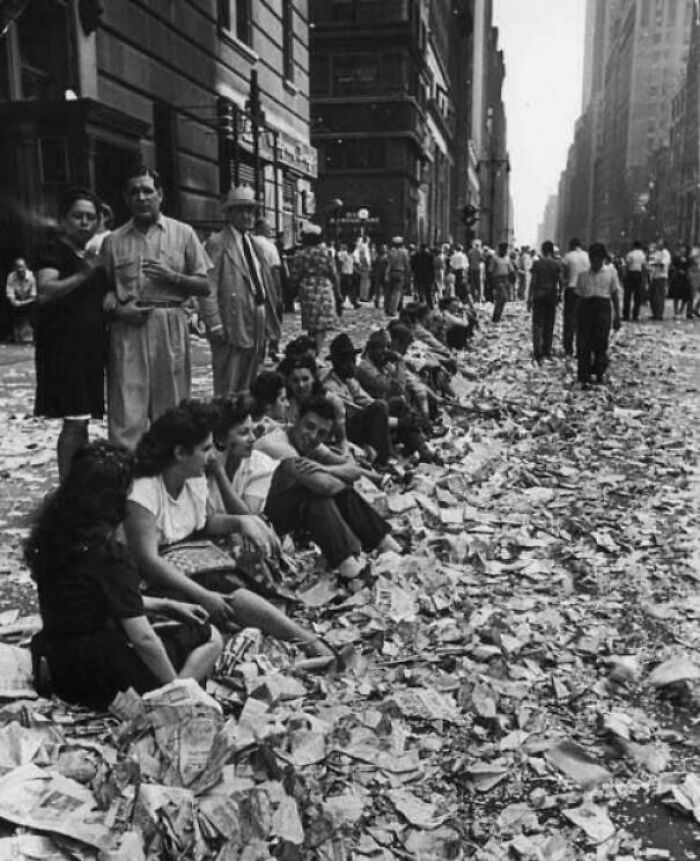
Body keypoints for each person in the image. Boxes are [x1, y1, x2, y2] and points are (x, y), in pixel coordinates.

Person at [123, 399, 336, 659]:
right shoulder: (144, 489)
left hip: (188, 564)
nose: (212, 456)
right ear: (180, 453)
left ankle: (304, 640)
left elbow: (203, 523)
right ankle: (309, 643)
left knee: (234, 584)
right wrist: (202, 595)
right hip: (150, 580)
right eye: (205, 449)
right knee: (224, 596)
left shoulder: (194, 479)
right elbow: (148, 561)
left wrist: (242, 522)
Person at [26, 441, 222, 710]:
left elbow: (86, 598)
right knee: (210, 636)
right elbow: (143, 638)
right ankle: (172, 695)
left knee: (168, 608)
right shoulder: (109, 553)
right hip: (101, 667)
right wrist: (173, 686)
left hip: (56, 656)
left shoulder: (53, 533)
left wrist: (165, 605)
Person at [102, 166, 212, 449]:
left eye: (147, 190)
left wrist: (172, 276)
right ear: (126, 198)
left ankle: (168, 477)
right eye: (134, 192)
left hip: (169, 324)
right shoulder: (113, 241)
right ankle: (127, 478)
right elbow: (102, 290)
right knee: (127, 409)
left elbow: (204, 285)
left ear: (160, 195)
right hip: (128, 328)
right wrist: (117, 310)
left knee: (172, 408)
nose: (141, 197)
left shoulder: (183, 233)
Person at [253, 395, 400, 578]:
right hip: (258, 519)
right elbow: (325, 486)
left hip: (281, 513)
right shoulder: (278, 445)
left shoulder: (309, 443)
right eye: (309, 426)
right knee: (314, 496)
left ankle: (388, 547)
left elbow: (353, 471)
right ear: (296, 419)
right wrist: (334, 474)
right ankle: (351, 570)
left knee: (331, 490)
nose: (313, 436)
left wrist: (325, 468)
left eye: (321, 433)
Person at [35, 187, 108, 481]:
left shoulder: (89, 254)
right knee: (75, 423)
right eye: (78, 216)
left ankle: (80, 483)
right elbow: (45, 291)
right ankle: (68, 488)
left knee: (82, 421)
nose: (85, 223)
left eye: (91, 217)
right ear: (64, 219)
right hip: (64, 350)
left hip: (89, 349)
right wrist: (83, 275)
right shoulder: (52, 250)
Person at [199, 186, 275, 397]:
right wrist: (214, 322)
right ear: (229, 214)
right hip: (231, 319)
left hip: (254, 315)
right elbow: (208, 286)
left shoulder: (250, 242)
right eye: (241, 210)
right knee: (229, 379)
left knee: (249, 378)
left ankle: (242, 420)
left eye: (251, 211)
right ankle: (226, 421)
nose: (248, 216)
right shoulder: (218, 242)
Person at [319, 333, 394, 467]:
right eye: (346, 362)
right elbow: (356, 410)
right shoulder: (330, 386)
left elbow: (367, 400)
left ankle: (422, 444)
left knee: (395, 404)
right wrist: (396, 421)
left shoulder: (349, 380)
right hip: (344, 430)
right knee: (381, 407)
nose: (352, 366)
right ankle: (383, 462)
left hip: (361, 419)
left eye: (353, 361)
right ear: (336, 363)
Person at [574, 242, 621, 386]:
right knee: (584, 344)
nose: (595, 262)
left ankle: (599, 373)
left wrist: (617, 315)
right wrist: (575, 318)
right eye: (592, 259)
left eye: (598, 259)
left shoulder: (611, 273)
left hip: (603, 309)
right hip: (586, 309)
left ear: (603, 259)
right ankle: (584, 375)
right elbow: (579, 298)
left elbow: (614, 294)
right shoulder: (582, 275)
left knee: (601, 343)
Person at [290, 223, 339, 354]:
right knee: (322, 325)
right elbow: (333, 273)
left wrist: (293, 290)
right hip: (324, 287)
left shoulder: (300, 254)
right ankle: (317, 350)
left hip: (307, 289)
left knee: (311, 324)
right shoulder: (326, 252)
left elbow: (295, 274)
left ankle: (311, 350)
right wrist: (338, 292)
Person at [254, 217, 284, 361]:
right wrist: (278, 292)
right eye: (268, 228)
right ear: (262, 229)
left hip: (251, 288)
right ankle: (273, 348)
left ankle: (258, 352)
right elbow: (275, 270)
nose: (270, 230)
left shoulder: (248, 242)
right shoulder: (269, 246)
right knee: (274, 318)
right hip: (268, 286)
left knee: (257, 321)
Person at [527, 240, 561, 362]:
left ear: (542, 250)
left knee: (537, 324)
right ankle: (547, 350)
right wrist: (559, 295)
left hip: (539, 295)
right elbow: (559, 282)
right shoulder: (557, 264)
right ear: (552, 251)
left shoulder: (537, 263)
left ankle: (538, 352)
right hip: (551, 295)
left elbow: (533, 282)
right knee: (549, 324)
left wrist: (529, 298)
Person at [561, 238, 590, 357]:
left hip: (572, 290)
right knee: (583, 321)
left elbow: (563, 276)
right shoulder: (588, 256)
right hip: (586, 291)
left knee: (569, 320)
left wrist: (563, 285)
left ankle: (568, 349)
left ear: (571, 246)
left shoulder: (567, 257)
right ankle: (581, 349)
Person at [5, 257, 36, 344]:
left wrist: (22, 303)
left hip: (30, 302)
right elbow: (9, 292)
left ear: (26, 266)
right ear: (15, 268)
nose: (20, 269)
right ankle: (14, 336)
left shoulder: (32, 276)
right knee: (8, 308)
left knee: (34, 311)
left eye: (22, 266)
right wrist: (13, 300)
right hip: (17, 301)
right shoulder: (11, 276)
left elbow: (34, 296)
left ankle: (32, 338)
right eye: (18, 267)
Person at [487, 242, 515, 323]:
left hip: (505, 279)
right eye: (503, 249)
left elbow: (511, 269)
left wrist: (512, 278)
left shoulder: (507, 258)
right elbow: (490, 271)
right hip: (497, 279)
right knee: (504, 297)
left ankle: (496, 316)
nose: (504, 251)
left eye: (505, 249)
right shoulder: (494, 258)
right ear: (500, 250)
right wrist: (489, 283)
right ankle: (496, 316)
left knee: (500, 299)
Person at [384, 236, 411, 317]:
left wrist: (386, 275)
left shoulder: (390, 252)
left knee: (389, 292)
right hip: (400, 273)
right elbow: (407, 264)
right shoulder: (405, 252)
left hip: (391, 272)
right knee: (397, 292)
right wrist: (408, 275)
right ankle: (393, 310)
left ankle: (387, 309)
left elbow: (388, 265)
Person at [648, 239, 671, 321]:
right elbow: (651, 261)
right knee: (652, 296)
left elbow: (663, 263)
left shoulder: (665, 253)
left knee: (659, 296)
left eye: (660, 242)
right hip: (654, 276)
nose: (658, 244)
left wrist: (653, 264)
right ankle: (654, 313)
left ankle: (659, 314)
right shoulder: (656, 253)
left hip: (661, 277)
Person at [623, 240, 645, 322]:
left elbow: (627, 265)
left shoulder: (630, 254)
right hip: (638, 274)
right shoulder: (642, 255)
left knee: (627, 295)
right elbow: (643, 266)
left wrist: (625, 275)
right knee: (637, 296)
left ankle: (626, 315)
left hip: (631, 274)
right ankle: (635, 315)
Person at [411, 244, 435, 309]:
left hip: (419, 276)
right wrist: (433, 277)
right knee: (428, 293)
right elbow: (433, 267)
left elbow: (412, 266)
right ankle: (430, 307)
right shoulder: (430, 255)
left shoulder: (416, 255)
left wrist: (414, 273)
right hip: (428, 277)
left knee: (420, 292)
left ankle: (421, 307)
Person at [337, 243, 357, 309]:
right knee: (345, 289)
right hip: (345, 274)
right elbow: (340, 263)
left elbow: (353, 265)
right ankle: (342, 302)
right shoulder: (344, 255)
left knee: (350, 289)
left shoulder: (352, 256)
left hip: (350, 274)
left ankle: (351, 302)